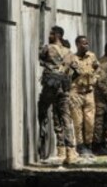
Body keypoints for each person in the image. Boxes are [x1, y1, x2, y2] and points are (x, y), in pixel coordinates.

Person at [38, 26, 78, 164]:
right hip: (64, 88)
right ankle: (70, 152)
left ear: (58, 35)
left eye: (51, 33)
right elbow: (76, 70)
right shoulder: (69, 52)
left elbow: (41, 59)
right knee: (66, 119)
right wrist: (67, 78)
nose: (49, 35)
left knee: (42, 111)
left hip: (50, 86)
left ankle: (42, 144)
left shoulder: (48, 48)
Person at [70, 35, 99, 156]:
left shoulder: (92, 56)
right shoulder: (72, 58)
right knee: (78, 122)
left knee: (90, 121)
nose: (86, 45)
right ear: (77, 44)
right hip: (76, 92)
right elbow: (67, 75)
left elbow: (97, 70)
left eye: (87, 43)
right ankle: (80, 146)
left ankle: (88, 145)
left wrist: (95, 80)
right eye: (83, 43)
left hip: (89, 92)